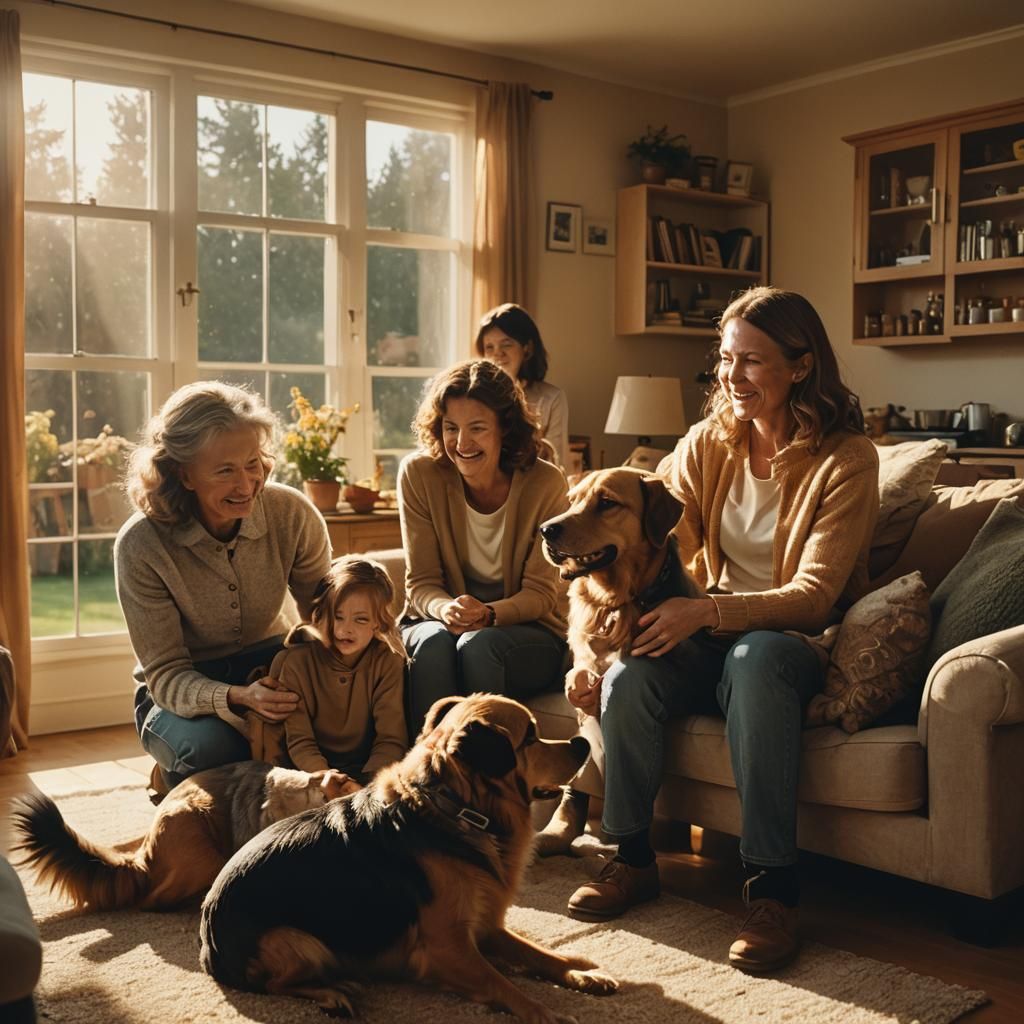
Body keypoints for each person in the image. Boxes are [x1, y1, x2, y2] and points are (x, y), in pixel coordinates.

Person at [559, 287, 879, 974]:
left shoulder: (847, 459)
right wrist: (595, 652)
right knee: (634, 672)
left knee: (756, 659)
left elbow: (814, 595)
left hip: (789, 644)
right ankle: (631, 857)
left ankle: (772, 891)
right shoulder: (708, 444)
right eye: (726, 360)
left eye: (753, 361)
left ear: (800, 366)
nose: (732, 377)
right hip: (704, 636)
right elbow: (644, 533)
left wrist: (707, 612)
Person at [115, 381, 331, 799]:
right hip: (177, 691)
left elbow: (323, 619)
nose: (246, 484)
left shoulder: (291, 513)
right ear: (183, 473)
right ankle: (179, 783)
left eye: (253, 463)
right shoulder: (141, 544)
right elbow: (166, 675)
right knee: (214, 748)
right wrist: (237, 698)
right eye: (225, 470)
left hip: (272, 666)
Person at [398, 359, 570, 736]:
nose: (461, 443)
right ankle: (425, 782)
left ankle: (488, 783)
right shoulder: (419, 475)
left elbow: (541, 594)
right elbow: (421, 583)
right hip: (438, 619)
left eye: (477, 428)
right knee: (431, 644)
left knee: (478, 646)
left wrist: (488, 614)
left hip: (528, 632)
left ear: (505, 428)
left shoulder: (546, 482)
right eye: (450, 428)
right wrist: (447, 609)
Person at [271, 556, 407, 785]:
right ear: (323, 613)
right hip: (311, 775)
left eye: (361, 620)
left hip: (369, 774)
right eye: (338, 616)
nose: (346, 629)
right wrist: (328, 779)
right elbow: (300, 742)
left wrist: (369, 785)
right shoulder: (295, 663)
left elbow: (390, 739)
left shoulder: (388, 660)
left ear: (378, 623)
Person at [475, 303, 570, 471]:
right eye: (489, 347)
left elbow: (556, 463)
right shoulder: (474, 397)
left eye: (506, 344)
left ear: (527, 348)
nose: (497, 354)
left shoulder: (552, 398)